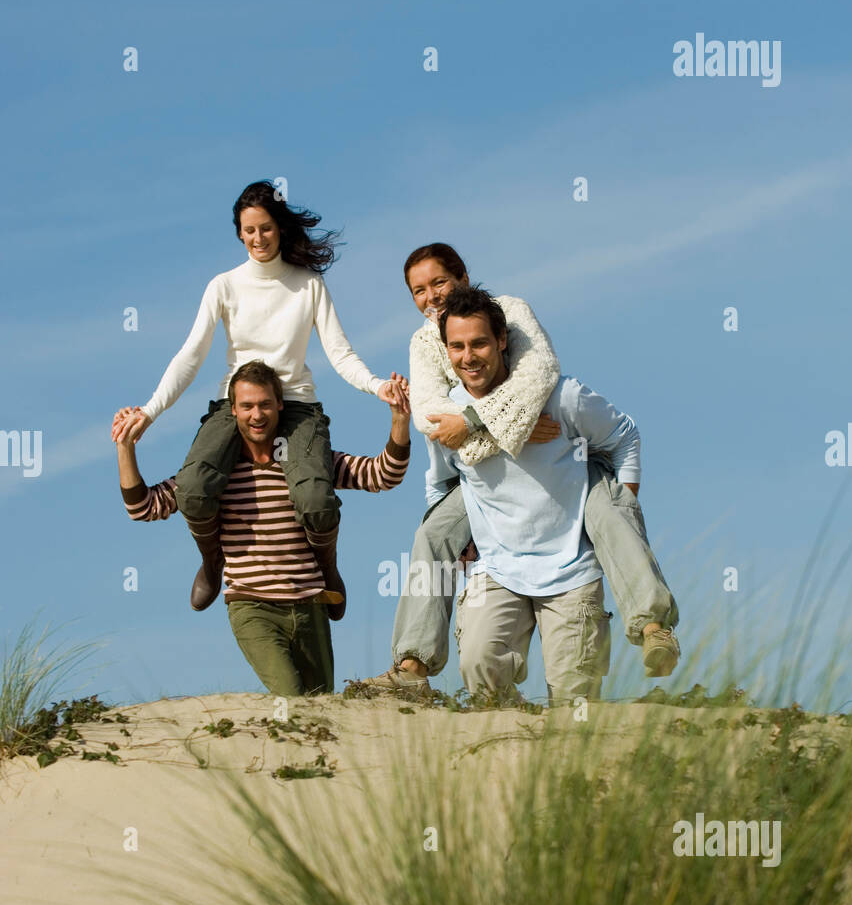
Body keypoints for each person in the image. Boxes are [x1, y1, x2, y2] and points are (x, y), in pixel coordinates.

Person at [364, 243, 679, 696]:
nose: (431, 296)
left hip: (566, 516)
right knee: (432, 535)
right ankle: (412, 665)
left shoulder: (518, 326)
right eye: (419, 290)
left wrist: (625, 503)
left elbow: (543, 375)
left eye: (439, 282)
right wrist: (503, 433)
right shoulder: (427, 352)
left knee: (612, 512)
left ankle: (653, 626)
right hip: (487, 511)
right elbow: (437, 466)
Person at [111, 181, 409, 620]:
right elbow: (190, 355)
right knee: (193, 488)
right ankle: (213, 561)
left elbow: (340, 353)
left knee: (315, 499)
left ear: (280, 229)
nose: (258, 238)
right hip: (238, 405)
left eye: (266, 228)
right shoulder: (224, 286)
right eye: (248, 230)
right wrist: (151, 410)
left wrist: (377, 385)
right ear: (238, 233)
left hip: (295, 407)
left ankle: (327, 565)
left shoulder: (308, 285)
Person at [116, 360, 410, 697]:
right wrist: (126, 447)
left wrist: (399, 419)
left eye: (265, 404)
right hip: (252, 606)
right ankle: (211, 565)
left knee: (322, 708)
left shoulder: (308, 464)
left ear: (280, 405)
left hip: (310, 603)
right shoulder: (216, 476)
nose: (257, 415)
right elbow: (143, 507)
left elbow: (384, 476)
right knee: (291, 697)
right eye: (247, 406)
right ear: (233, 411)